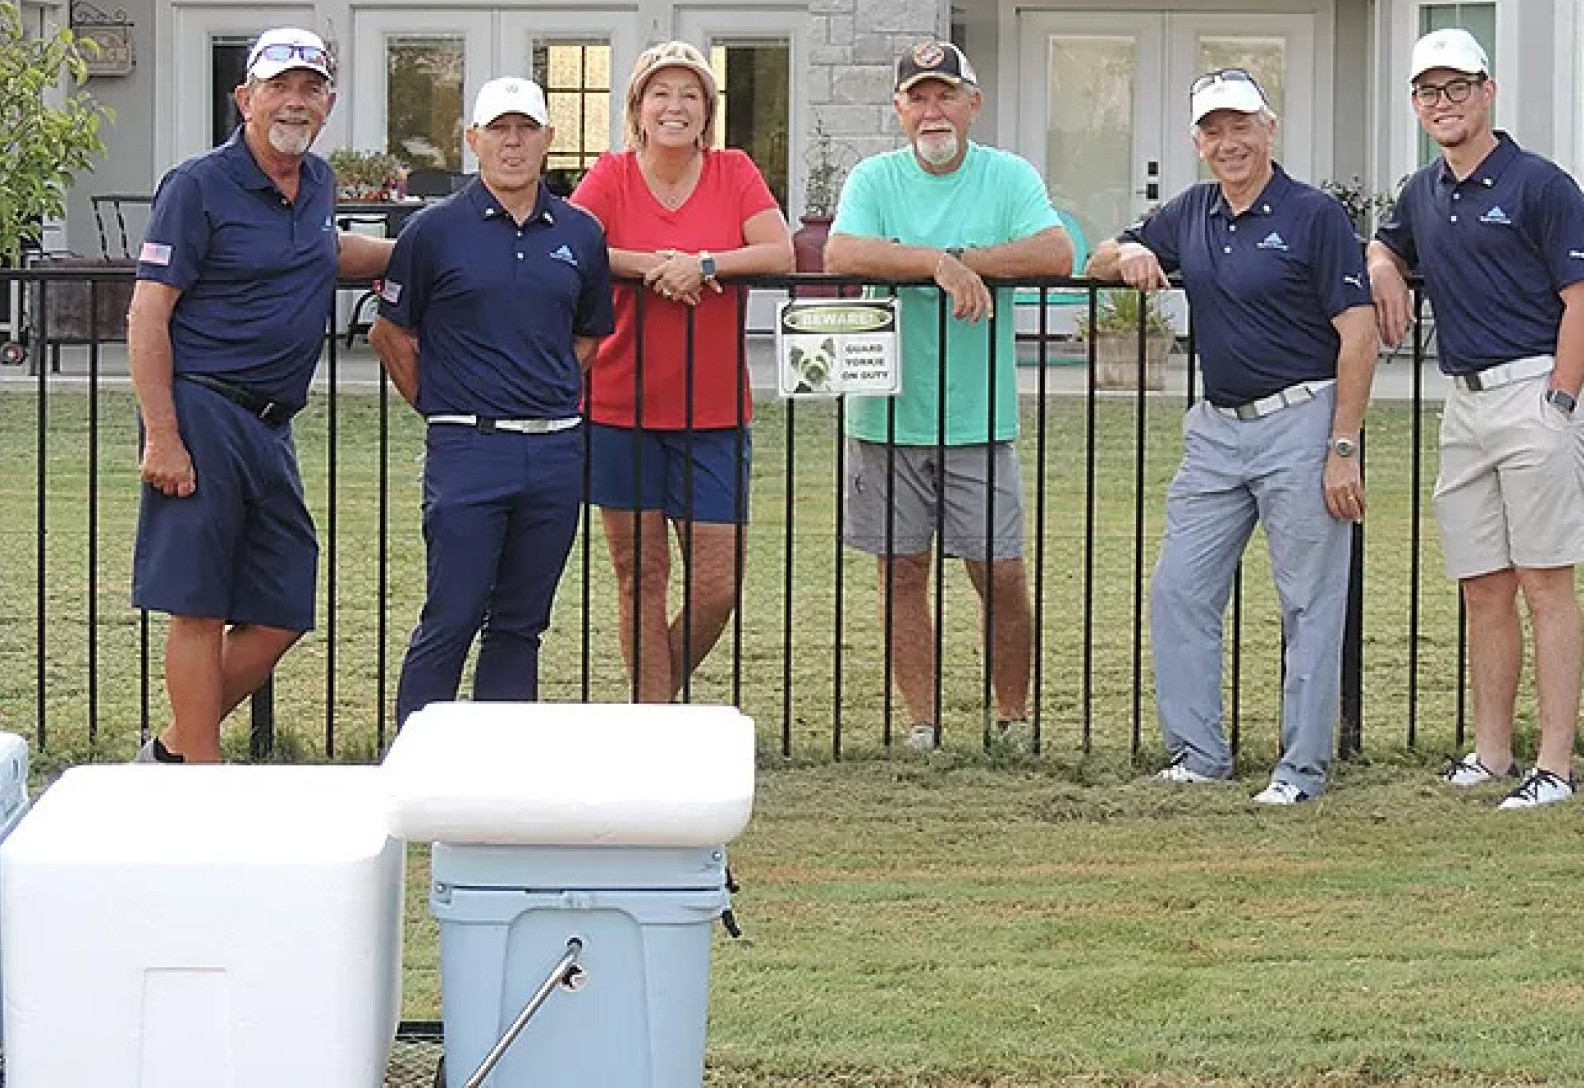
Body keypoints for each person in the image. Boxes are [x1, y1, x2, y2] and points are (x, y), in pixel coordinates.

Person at [1087, 69, 1376, 805]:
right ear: (1197, 142)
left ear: (1268, 129)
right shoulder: (1191, 212)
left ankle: (1301, 770)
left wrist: (1342, 447)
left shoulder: (1314, 216)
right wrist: (1128, 254)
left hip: (1303, 421)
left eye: (1240, 125)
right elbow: (1093, 258)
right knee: (1179, 589)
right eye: (1213, 130)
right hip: (1216, 431)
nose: (1228, 142)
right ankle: (1198, 756)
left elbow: (1359, 334)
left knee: (1308, 605)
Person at [129, 26, 393, 763]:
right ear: (245, 98)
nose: (295, 101)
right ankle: (200, 778)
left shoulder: (318, 184)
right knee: (198, 604)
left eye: (311, 88)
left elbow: (323, 251)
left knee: (282, 606)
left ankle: (173, 752)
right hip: (201, 411)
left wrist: (425, 251)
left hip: (271, 424)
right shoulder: (197, 185)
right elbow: (148, 314)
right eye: (279, 86)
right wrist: (163, 436)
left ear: (329, 104)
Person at [1366, 28, 1584, 810]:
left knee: (1545, 583)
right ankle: (1493, 755)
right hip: (1464, 404)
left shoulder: (1541, 185)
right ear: (1416, 104)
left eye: (1458, 87)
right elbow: (1387, 246)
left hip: (1537, 393)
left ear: (1488, 91)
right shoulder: (1422, 191)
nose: (1444, 103)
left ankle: (1556, 767)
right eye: (1429, 91)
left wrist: (1560, 402)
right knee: (1483, 588)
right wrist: (1380, 263)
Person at [824, 40, 1074, 749]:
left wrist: (964, 262)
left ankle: (1012, 720)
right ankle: (923, 723)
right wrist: (935, 264)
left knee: (1000, 572)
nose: (932, 111)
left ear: (973, 104)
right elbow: (841, 253)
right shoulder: (875, 178)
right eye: (918, 98)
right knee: (902, 571)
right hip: (886, 415)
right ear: (899, 109)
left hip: (979, 416)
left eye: (946, 95)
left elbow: (1056, 253)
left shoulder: (1007, 176)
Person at [369, 76, 614, 725]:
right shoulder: (433, 231)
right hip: (468, 448)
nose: (513, 142)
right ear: (473, 139)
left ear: (548, 139)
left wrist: (539, 387)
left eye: (526, 128)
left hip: (555, 450)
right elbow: (390, 334)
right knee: (451, 616)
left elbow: (588, 336)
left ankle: (502, 771)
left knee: (520, 625)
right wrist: (443, 405)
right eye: (499, 129)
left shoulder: (581, 233)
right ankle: (416, 765)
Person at [570, 41, 794, 702]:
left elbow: (778, 251)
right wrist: (653, 267)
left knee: (717, 585)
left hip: (713, 411)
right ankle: (653, 723)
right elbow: (573, 246)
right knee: (641, 576)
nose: (675, 106)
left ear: (707, 111)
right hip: (620, 407)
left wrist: (704, 265)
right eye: (661, 93)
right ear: (637, 108)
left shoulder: (734, 171)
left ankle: (653, 703)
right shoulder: (610, 175)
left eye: (690, 94)